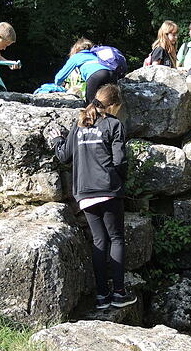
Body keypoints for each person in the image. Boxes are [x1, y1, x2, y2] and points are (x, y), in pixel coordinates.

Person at [48, 84, 138, 309]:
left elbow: (63, 156)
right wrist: (120, 181)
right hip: (108, 189)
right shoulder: (114, 124)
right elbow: (119, 160)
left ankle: (101, 296)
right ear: (114, 105)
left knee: (99, 241)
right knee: (116, 238)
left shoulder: (79, 124)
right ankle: (118, 293)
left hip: (84, 192)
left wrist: (57, 140)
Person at [54, 38, 118, 105]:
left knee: (90, 105)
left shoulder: (77, 56)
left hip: (97, 75)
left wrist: (58, 86)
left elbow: (59, 78)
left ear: (75, 49)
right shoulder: (96, 55)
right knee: (109, 104)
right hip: (112, 75)